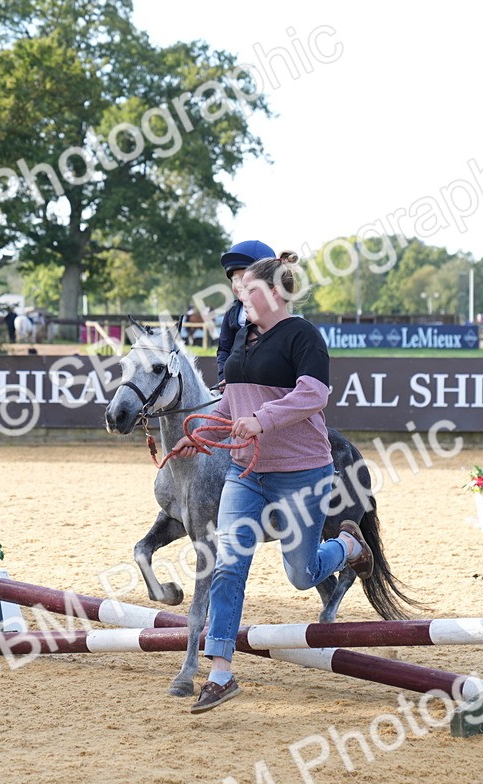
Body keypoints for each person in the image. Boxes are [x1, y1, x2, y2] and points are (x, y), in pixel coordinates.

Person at [169, 250, 373, 714]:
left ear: (278, 292)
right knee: (227, 564)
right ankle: (220, 673)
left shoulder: (303, 335)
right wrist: (200, 435)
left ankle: (348, 547)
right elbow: (232, 401)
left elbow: (313, 394)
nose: (242, 300)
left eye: (251, 292)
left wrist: (262, 420)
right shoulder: (243, 336)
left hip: (303, 472)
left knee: (301, 575)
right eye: (240, 294)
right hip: (246, 472)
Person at [215, 240, 277, 388]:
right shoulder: (232, 312)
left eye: (242, 279)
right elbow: (224, 348)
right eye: (233, 280)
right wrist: (224, 376)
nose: (237, 286)